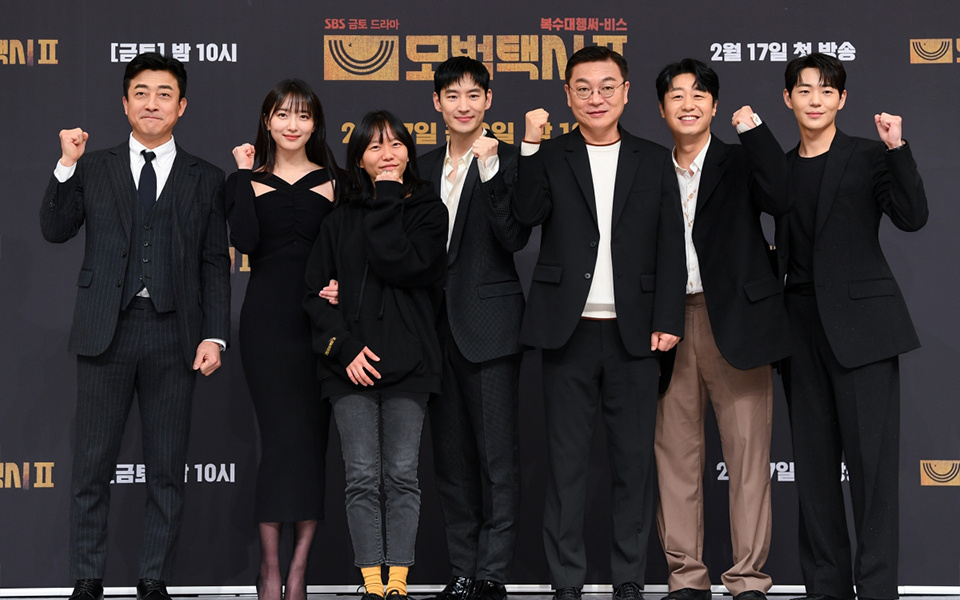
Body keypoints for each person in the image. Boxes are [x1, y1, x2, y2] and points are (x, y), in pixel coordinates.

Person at [39, 52, 230, 600]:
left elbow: (214, 263)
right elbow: (55, 228)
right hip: (107, 330)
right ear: (124, 103)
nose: (152, 103)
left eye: (164, 94)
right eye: (141, 93)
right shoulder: (92, 166)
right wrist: (65, 164)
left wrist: (214, 334)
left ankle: (153, 578)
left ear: (182, 106)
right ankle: (87, 579)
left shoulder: (206, 177)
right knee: (91, 466)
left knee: (167, 467)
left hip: (175, 334)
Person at [513, 46, 686, 600]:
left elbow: (671, 244)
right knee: (565, 465)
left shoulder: (653, 159)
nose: (596, 97)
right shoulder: (549, 153)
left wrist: (668, 317)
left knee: (633, 464)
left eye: (607, 86)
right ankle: (566, 580)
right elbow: (524, 216)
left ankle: (629, 578)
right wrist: (529, 146)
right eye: (583, 88)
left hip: (637, 333)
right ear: (567, 95)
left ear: (626, 92)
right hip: (569, 329)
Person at [777, 53, 928, 600]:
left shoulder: (869, 155)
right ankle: (826, 588)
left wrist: (897, 149)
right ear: (787, 99)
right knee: (814, 473)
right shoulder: (778, 168)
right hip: (799, 330)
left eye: (826, 90)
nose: (815, 99)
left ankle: (879, 590)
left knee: (872, 472)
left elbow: (912, 216)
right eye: (804, 90)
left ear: (842, 99)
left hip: (864, 330)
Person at [652, 58, 792, 600]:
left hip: (737, 321)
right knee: (675, 457)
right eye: (677, 95)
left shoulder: (739, 159)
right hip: (668, 326)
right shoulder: (648, 169)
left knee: (748, 456)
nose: (688, 104)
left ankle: (748, 579)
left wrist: (753, 130)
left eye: (698, 95)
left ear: (714, 105)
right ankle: (686, 578)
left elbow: (781, 196)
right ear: (661, 107)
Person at [303, 110, 447, 600]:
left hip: (412, 365)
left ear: (410, 151)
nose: (387, 154)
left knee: (402, 476)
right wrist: (343, 349)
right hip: (349, 366)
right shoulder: (338, 220)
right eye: (374, 146)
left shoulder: (429, 212)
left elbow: (400, 264)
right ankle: (372, 584)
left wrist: (388, 196)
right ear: (358, 159)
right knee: (362, 476)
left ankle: (398, 584)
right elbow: (312, 296)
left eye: (396, 144)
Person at [417, 57, 530, 600]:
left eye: (473, 95)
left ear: (489, 100)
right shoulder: (419, 167)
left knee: (497, 461)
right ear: (436, 103)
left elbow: (513, 237)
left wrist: (489, 172)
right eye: (452, 95)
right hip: (431, 332)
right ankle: (462, 571)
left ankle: (492, 574)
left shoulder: (511, 162)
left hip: (491, 328)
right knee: (451, 461)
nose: (463, 105)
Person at [225, 79, 340, 600]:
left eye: (303, 116)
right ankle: (270, 570)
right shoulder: (245, 180)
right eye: (283, 115)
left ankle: (298, 570)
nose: (293, 125)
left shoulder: (337, 181)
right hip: (267, 323)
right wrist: (244, 176)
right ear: (267, 121)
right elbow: (245, 241)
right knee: (277, 443)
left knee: (313, 445)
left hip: (322, 325)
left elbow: (350, 251)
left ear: (315, 124)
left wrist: (343, 287)